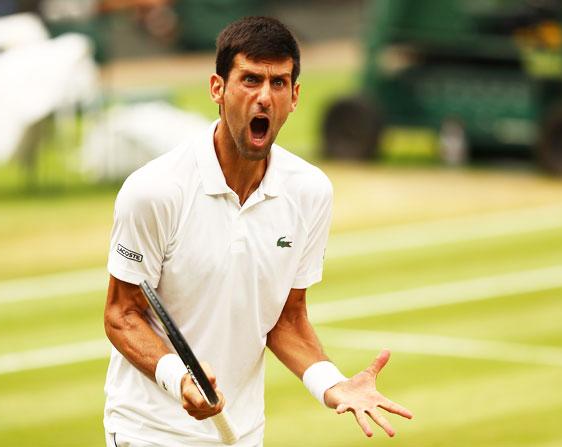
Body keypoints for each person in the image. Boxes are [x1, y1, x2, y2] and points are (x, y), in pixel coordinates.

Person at [103, 16, 413, 446]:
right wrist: (179, 379)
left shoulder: (310, 192)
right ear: (218, 88)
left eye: (279, 83)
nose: (264, 97)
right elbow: (122, 314)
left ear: (295, 96)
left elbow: (287, 318)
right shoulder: (154, 191)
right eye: (250, 80)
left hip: (242, 434)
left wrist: (331, 383)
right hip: (150, 432)